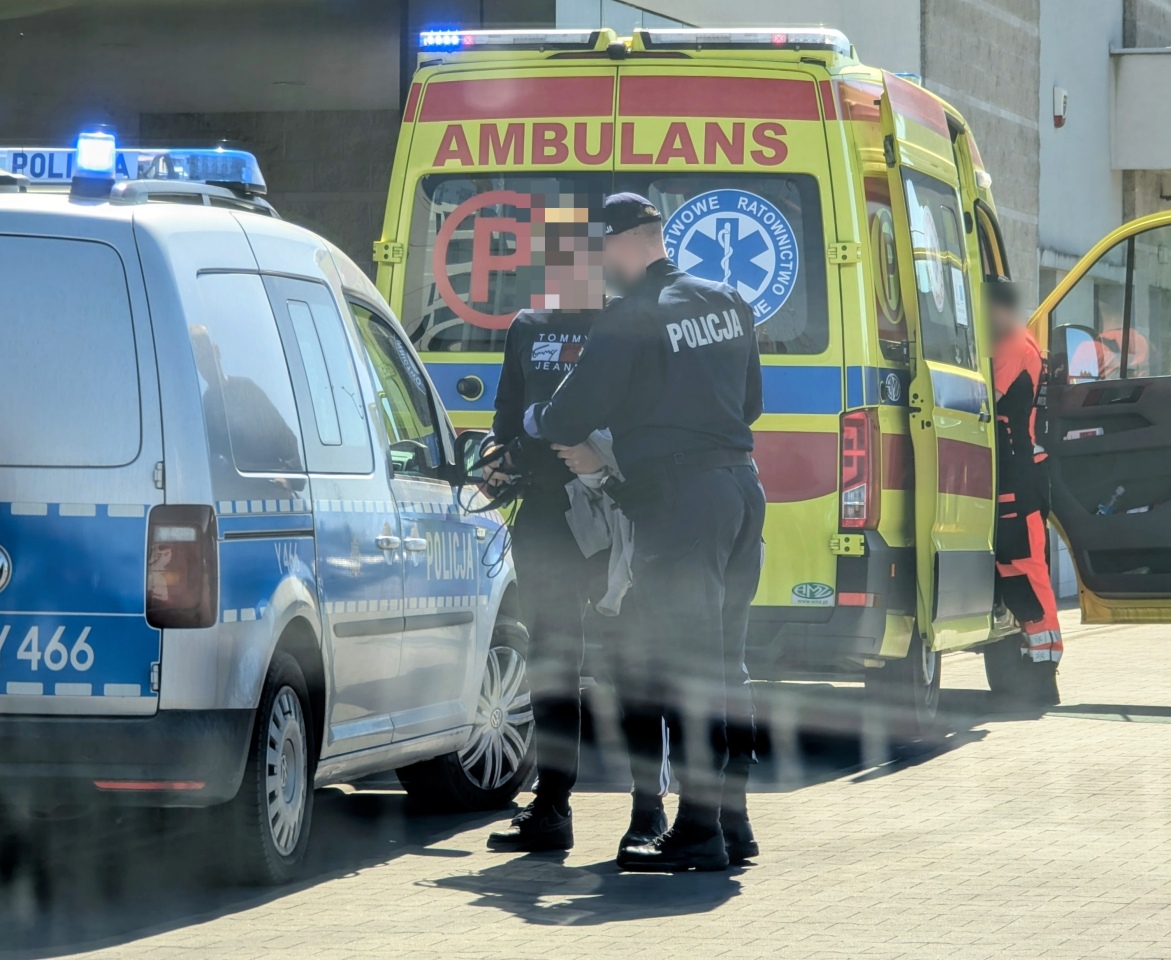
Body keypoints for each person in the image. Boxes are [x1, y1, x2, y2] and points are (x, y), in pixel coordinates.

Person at [524, 193, 765, 872]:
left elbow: (569, 415)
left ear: (624, 243)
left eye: (599, 254)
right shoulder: (726, 301)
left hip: (679, 504)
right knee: (727, 667)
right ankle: (733, 824)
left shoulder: (628, 318)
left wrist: (538, 421)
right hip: (742, 493)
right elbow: (751, 404)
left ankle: (695, 833)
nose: (598, 269)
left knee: (684, 671)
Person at [484, 201, 667, 853]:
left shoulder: (633, 324)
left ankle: (648, 812)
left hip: (616, 514)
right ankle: (552, 808)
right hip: (546, 520)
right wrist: (498, 462)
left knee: (631, 666)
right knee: (553, 663)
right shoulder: (527, 325)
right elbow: (509, 420)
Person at [988, 278, 1061, 705]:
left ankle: (1043, 676)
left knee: (1027, 569)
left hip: (1020, 476)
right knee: (1014, 567)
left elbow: (983, 397)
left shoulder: (1015, 344)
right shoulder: (1016, 341)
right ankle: (1033, 672)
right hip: (1014, 473)